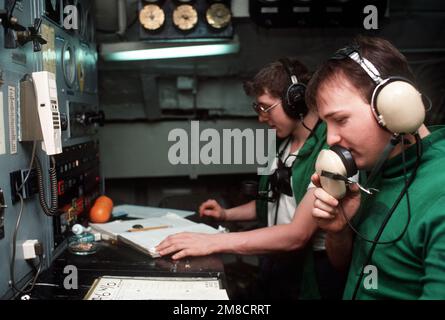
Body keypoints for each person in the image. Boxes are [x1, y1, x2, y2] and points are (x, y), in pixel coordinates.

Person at [157, 58, 345, 300]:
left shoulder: (326, 152)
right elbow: (270, 204)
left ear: (294, 100)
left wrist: (214, 242)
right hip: (275, 264)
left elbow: (297, 235)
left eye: (266, 107)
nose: (261, 118)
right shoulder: (282, 144)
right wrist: (226, 215)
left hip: (311, 274)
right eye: (258, 109)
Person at [305, 35, 445, 299]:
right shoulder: (376, 170)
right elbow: (353, 270)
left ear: (393, 104)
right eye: (327, 125)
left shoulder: (439, 195)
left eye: (340, 120)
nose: (331, 139)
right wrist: (339, 230)